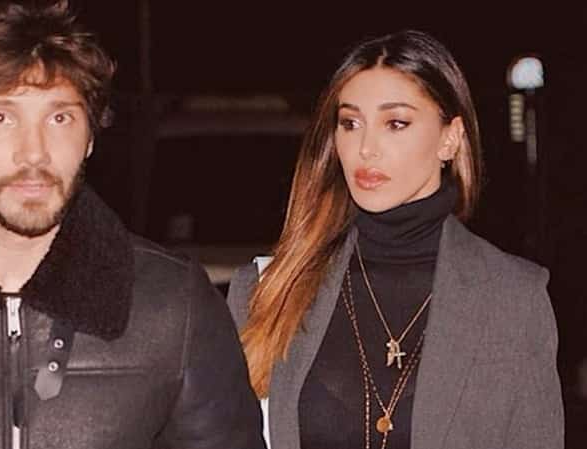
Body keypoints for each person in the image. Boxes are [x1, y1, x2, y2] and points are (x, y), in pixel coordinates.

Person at [0, 2, 264, 448]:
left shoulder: (174, 305)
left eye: (59, 117)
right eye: (1, 117)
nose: (34, 152)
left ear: (90, 137)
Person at [228, 30, 563, 449]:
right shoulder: (268, 293)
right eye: (350, 123)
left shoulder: (512, 297)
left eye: (396, 123)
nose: (366, 148)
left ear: (449, 138)